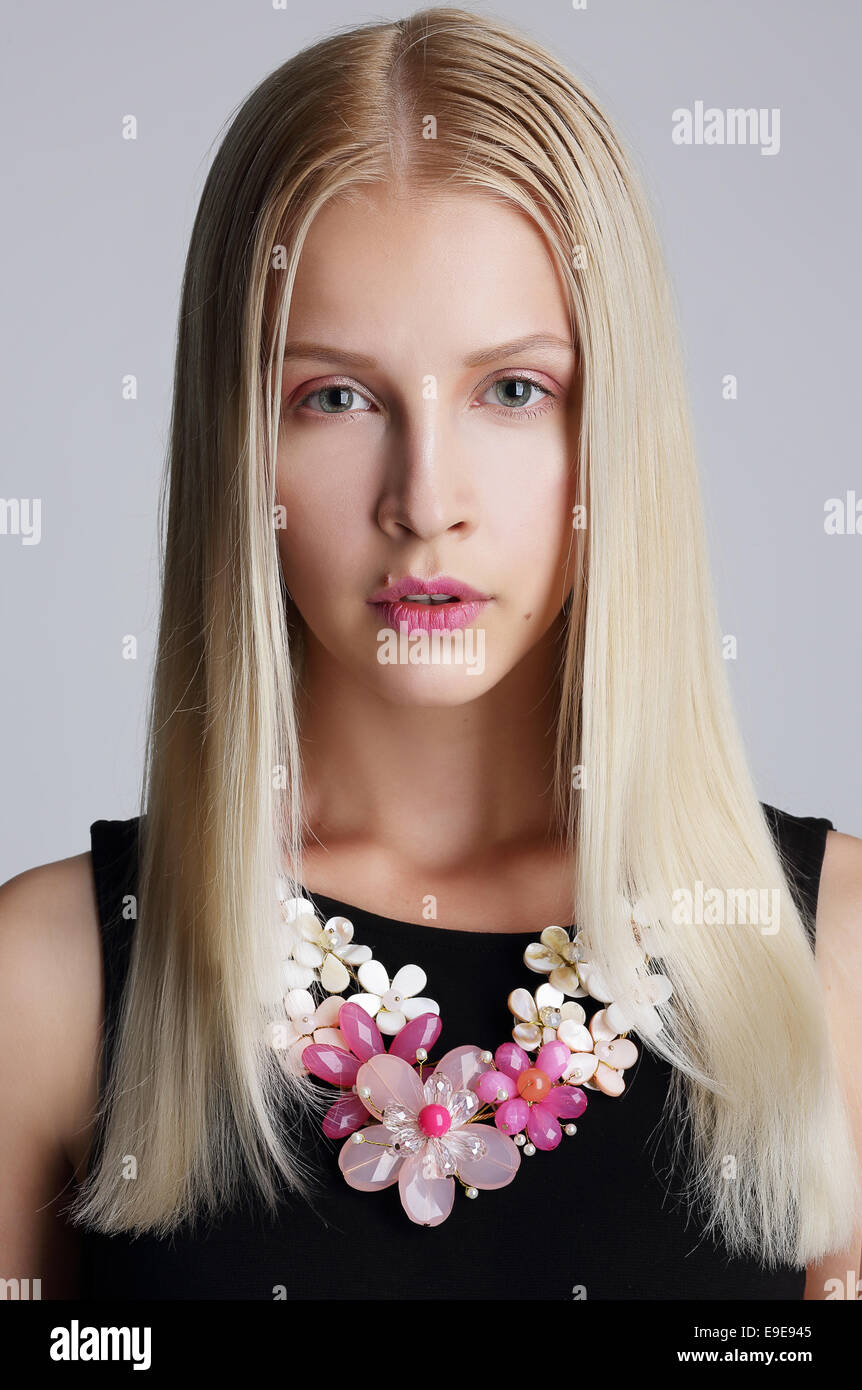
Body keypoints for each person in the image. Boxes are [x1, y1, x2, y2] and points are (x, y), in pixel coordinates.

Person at [1, 7, 860, 1301]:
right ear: (238, 439)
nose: (425, 498)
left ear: (611, 427)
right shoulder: (49, 980)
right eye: (332, 396)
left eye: (513, 389)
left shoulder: (830, 963)